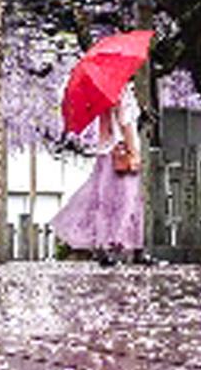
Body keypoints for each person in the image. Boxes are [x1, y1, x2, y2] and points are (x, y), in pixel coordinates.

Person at [50, 83, 144, 262]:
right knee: (125, 201)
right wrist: (134, 152)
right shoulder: (122, 94)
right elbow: (126, 125)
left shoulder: (105, 95)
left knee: (103, 200)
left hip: (106, 153)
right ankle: (121, 247)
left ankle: (107, 247)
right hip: (121, 155)